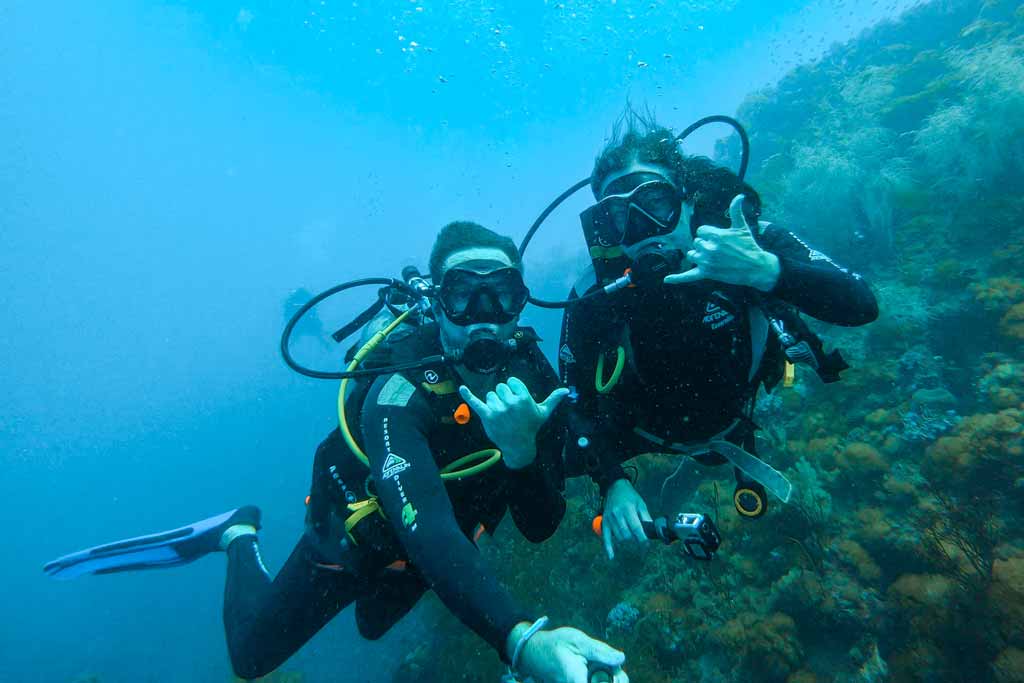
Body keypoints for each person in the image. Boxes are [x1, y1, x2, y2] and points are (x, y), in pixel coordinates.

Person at [45, 221, 629, 683]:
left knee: (374, 626)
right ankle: (236, 534)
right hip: (359, 537)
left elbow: (539, 527)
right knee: (250, 657)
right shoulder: (398, 393)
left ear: (520, 304)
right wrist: (521, 640)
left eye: (499, 295)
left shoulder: (530, 376)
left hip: (436, 554)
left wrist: (522, 451)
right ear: (434, 302)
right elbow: (425, 525)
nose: (482, 317)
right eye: (462, 295)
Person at [558, 109, 879, 560]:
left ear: (688, 200)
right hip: (643, 434)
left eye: (655, 203)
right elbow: (572, 399)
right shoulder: (594, 294)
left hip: (734, 413)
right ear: (604, 228)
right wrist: (612, 481)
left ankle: (718, 453)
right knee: (538, 455)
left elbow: (862, 303)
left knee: (718, 442)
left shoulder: (745, 243)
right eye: (618, 215)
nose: (642, 231)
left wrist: (768, 272)